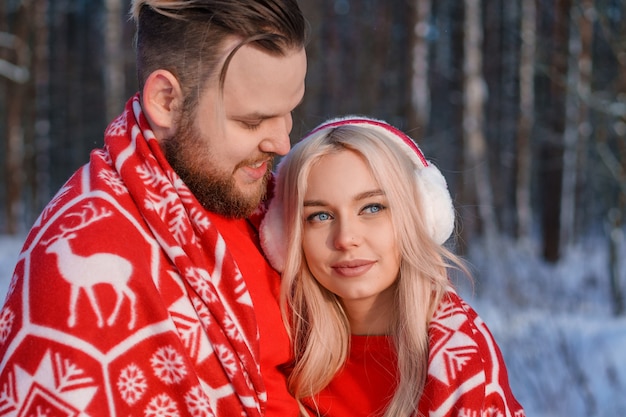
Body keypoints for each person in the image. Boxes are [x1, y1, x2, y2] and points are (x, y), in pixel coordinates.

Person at [0, 1, 307, 415]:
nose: (282, 143)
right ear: (165, 100)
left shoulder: (273, 207)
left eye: (289, 112)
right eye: (252, 122)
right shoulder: (82, 254)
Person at [260, 116, 526, 417]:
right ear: (286, 238)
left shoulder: (462, 358)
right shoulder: (278, 347)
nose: (346, 238)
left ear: (419, 216)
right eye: (320, 216)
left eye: (372, 208)